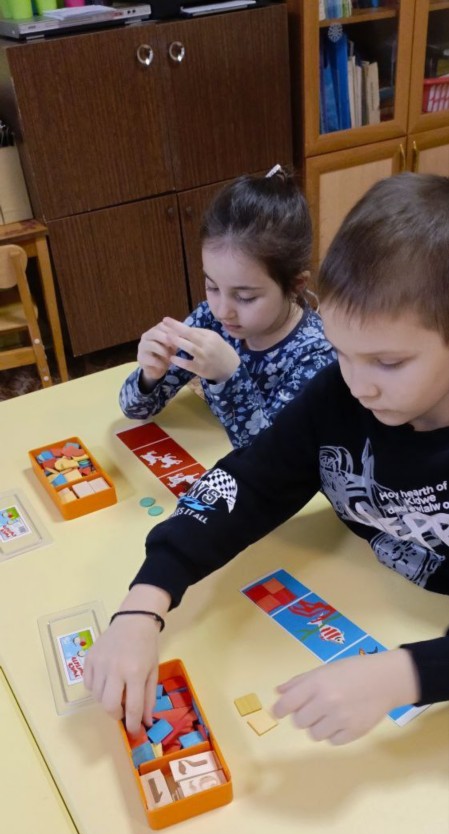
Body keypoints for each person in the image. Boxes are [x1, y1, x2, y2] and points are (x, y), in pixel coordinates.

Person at [85, 172, 449, 744]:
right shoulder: (338, 393)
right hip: (366, 596)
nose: (359, 386)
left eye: (388, 363)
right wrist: (145, 600)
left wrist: (404, 675)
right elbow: (250, 482)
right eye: (343, 352)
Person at [119, 167, 334, 449]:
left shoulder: (316, 355)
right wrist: (150, 375)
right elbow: (134, 410)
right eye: (212, 287)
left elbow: (273, 457)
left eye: (245, 297)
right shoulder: (210, 319)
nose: (222, 311)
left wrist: (228, 376)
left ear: (295, 285)